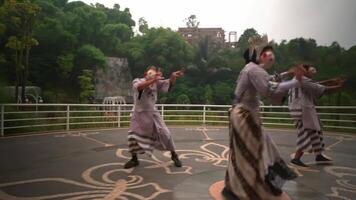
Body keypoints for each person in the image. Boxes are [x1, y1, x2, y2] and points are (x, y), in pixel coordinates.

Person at [223, 35, 302, 200]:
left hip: (243, 115)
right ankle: (249, 190)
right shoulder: (254, 70)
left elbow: (268, 81)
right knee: (255, 154)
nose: (271, 56)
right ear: (258, 54)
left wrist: (288, 74)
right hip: (245, 117)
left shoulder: (252, 68)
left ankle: (242, 187)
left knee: (256, 152)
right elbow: (268, 89)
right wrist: (295, 81)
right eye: (267, 52)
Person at [124, 66, 184, 169]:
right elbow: (139, 87)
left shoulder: (156, 83)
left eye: (155, 72)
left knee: (165, 133)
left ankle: (174, 155)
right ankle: (134, 159)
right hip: (138, 113)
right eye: (150, 72)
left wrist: (173, 76)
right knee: (133, 136)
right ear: (145, 74)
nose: (153, 74)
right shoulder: (138, 80)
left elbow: (168, 84)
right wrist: (153, 79)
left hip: (152, 113)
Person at [288, 64, 345, 167]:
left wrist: (330, 81)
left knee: (315, 131)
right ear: (305, 71)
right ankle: (296, 158)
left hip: (302, 109)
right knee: (306, 133)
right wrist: (338, 87)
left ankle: (319, 155)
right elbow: (319, 88)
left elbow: (316, 84)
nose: (314, 72)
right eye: (311, 70)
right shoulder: (303, 80)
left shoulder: (300, 79)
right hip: (302, 110)